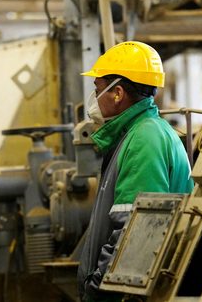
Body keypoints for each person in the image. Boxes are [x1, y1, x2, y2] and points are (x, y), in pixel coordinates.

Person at [76, 41, 194, 301]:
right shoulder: (140, 132)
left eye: (97, 90)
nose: (94, 99)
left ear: (117, 93)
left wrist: (97, 291)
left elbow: (134, 231)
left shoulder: (144, 139)